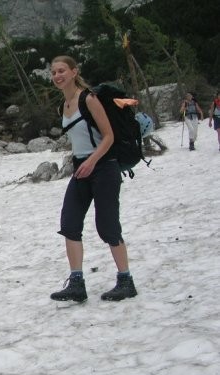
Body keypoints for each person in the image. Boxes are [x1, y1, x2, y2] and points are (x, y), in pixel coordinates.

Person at [49, 55, 138, 303]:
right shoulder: (63, 106)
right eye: (54, 72)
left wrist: (92, 161)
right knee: (69, 223)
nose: (57, 76)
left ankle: (126, 280)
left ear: (74, 72)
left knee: (108, 226)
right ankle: (76, 282)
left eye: (62, 71)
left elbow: (108, 136)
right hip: (81, 168)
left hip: (104, 166)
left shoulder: (88, 99)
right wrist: (81, 162)